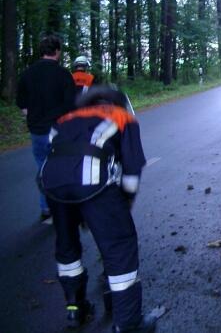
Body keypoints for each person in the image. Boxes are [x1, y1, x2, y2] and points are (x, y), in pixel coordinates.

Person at [39, 85, 159, 332]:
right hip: (93, 185)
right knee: (119, 246)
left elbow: (53, 150)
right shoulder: (123, 117)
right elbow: (132, 169)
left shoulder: (65, 118)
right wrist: (124, 203)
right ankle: (128, 323)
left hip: (52, 185)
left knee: (66, 244)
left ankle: (75, 308)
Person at [16, 34, 76, 222]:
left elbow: (22, 104)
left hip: (37, 131)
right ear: (57, 51)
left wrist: (34, 117)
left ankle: (46, 207)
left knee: (43, 167)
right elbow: (71, 105)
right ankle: (64, 206)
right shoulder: (63, 75)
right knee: (63, 167)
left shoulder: (27, 74)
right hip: (59, 130)